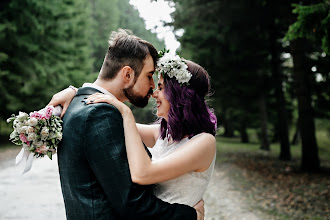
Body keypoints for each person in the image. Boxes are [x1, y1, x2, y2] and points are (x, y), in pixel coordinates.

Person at [49, 29, 203, 220]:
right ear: (127, 74)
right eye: (149, 76)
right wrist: (190, 215)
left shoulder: (75, 105)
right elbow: (132, 204)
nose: (153, 87)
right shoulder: (101, 115)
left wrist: (75, 90)